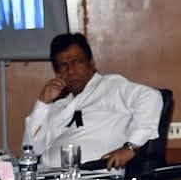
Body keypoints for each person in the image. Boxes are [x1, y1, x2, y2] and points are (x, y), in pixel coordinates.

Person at [24, 32, 163, 169]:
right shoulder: (58, 105)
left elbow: (151, 97)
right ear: (57, 72)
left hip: (91, 178)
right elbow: (32, 150)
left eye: (76, 62)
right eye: (63, 65)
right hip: (48, 178)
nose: (70, 71)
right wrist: (42, 103)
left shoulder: (110, 87)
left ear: (91, 63)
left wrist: (130, 147)